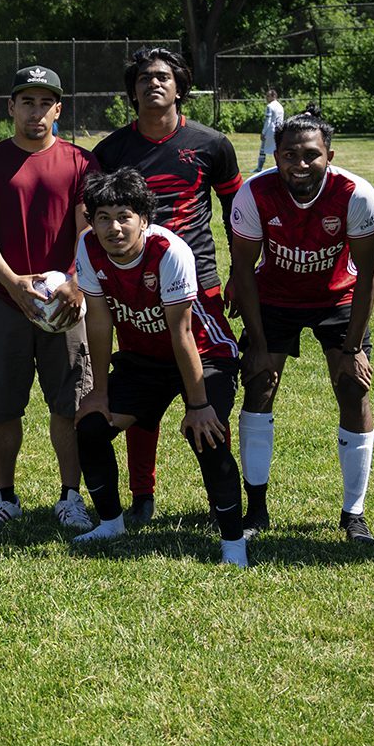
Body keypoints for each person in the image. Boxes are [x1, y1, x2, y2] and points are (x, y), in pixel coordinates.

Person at [92, 47, 242, 529]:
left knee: (206, 393)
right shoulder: (113, 150)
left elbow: (239, 213)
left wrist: (241, 271)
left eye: (162, 77)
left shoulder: (211, 143)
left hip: (198, 289)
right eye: (142, 79)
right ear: (131, 92)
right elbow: (95, 218)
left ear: (180, 86)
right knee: (142, 384)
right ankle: (142, 496)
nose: (152, 84)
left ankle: (224, 502)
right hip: (133, 287)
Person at [71, 168, 250, 565]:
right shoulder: (88, 246)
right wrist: (98, 392)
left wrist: (199, 405)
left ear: (144, 219)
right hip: (143, 360)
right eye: (103, 217)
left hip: (205, 354)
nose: (113, 227)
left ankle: (233, 543)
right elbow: (98, 322)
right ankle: (110, 522)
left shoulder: (170, 251)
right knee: (91, 427)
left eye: (124, 216)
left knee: (208, 435)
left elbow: (182, 333)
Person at [228, 111, 374, 542]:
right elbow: (243, 267)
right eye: (290, 155)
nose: (300, 164)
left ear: (329, 156)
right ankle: (256, 508)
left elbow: (369, 274)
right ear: (275, 156)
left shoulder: (355, 193)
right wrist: (258, 344)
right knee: (259, 382)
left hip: (337, 296)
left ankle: (354, 513)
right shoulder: (254, 193)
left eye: (311, 155)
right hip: (274, 296)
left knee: (353, 389)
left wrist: (353, 350)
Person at [0, 65, 97, 534]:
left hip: (65, 302)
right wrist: (14, 282)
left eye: (45, 103)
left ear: (58, 109)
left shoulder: (80, 162)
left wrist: (75, 282)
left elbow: (89, 229)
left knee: (71, 405)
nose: (36, 112)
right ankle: (4, 496)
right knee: (0, 406)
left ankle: (71, 496)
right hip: (4, 302)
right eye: (27, 102)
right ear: (11, 107)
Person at [256, 89, 286, 172]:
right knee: (277, 149)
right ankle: (279, 165)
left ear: (274, 96)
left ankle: (259, 168)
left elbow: (267, 121)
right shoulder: (280, 106)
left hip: (270, 130)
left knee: (262, 149)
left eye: (268, 96)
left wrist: (263, 132)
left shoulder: (270, 106)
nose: (266, 98)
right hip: (279, 130)